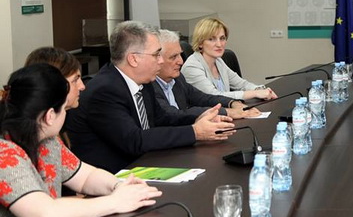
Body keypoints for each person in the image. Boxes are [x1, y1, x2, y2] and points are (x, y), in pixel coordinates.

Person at [0, 64, 162, 217]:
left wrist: (119, 186)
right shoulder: (4, 154)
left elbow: (86, 177)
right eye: (64, 109)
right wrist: (115, 202)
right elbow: (45, 215)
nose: (66, 114)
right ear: (50, 116)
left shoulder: (47, 140)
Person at [65, 21, 236, 173]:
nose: (161, 61)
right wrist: (195, 132)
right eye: (156, 55)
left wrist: (200, 118)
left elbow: (162, 117)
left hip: (145, 164)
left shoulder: (143, 81)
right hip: (113, 176)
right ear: (133, 59)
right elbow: (134, 140)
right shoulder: (105, 91)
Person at [153, 29, 261, 119]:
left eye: (180, 55)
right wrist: (227, 112)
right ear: (157, 59)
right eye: (173, 57)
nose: (181, 61)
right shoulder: (149, 87)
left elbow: (202, 97)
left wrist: (233, 103)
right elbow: (173, 115)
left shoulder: (177, 78)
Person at [181, 17, 278, 101]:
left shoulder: (218, 61)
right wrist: (254, 93)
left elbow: (241, 84)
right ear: (200, 43)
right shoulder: (192, 67)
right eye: (211, 39)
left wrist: (260, 89)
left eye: (222, 38)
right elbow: (214, 96)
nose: (219, 44)